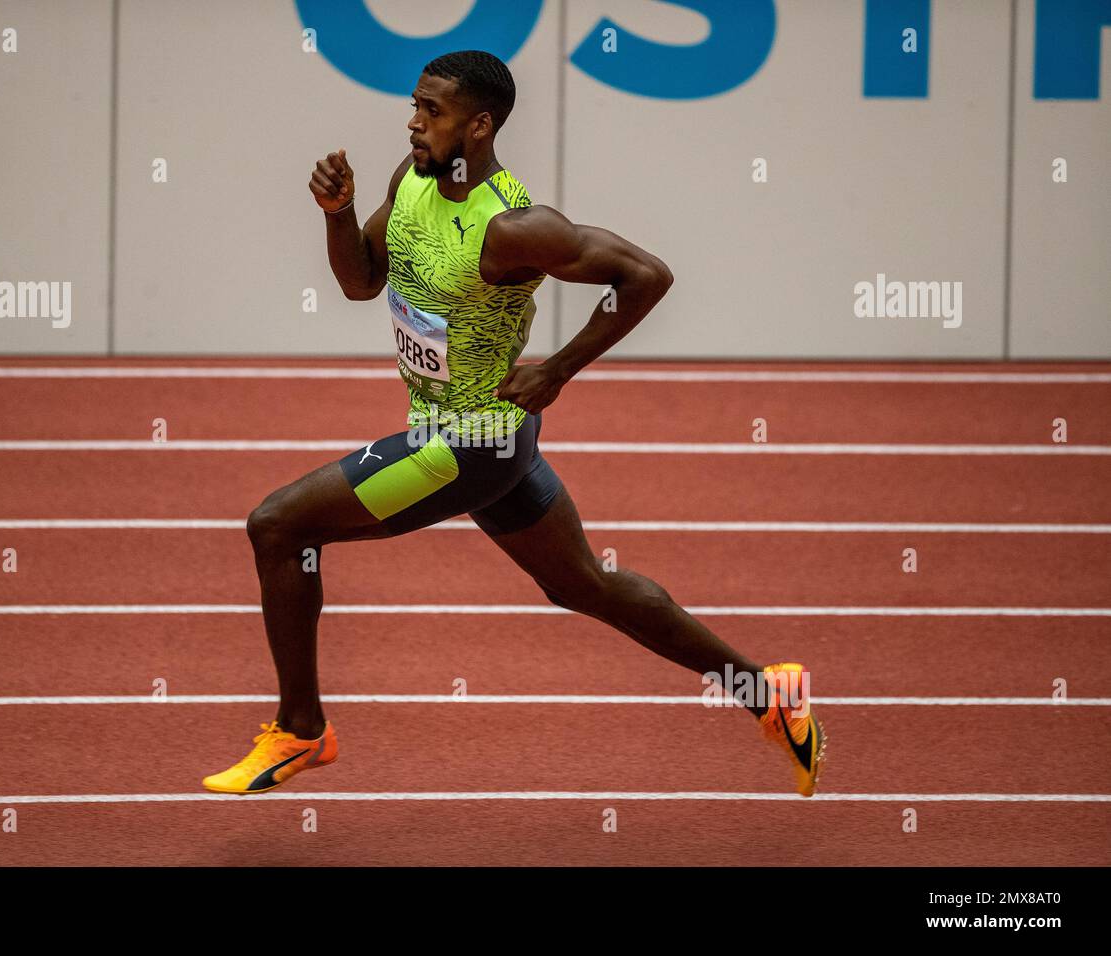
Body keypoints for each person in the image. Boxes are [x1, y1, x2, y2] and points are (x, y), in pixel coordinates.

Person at [203, 50, 825, 798]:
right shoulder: (409, 182)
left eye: (431, 112)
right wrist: (338, 216)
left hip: (471, 445)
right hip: (481, 438)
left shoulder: (512, 227)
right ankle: (768, 693)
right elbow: (360, 283)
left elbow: (648, 276)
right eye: (414, 105)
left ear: (479, 125)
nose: (413, 123)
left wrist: (556, 369)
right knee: (586, 587)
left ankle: (301, 728)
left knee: (278, 526)